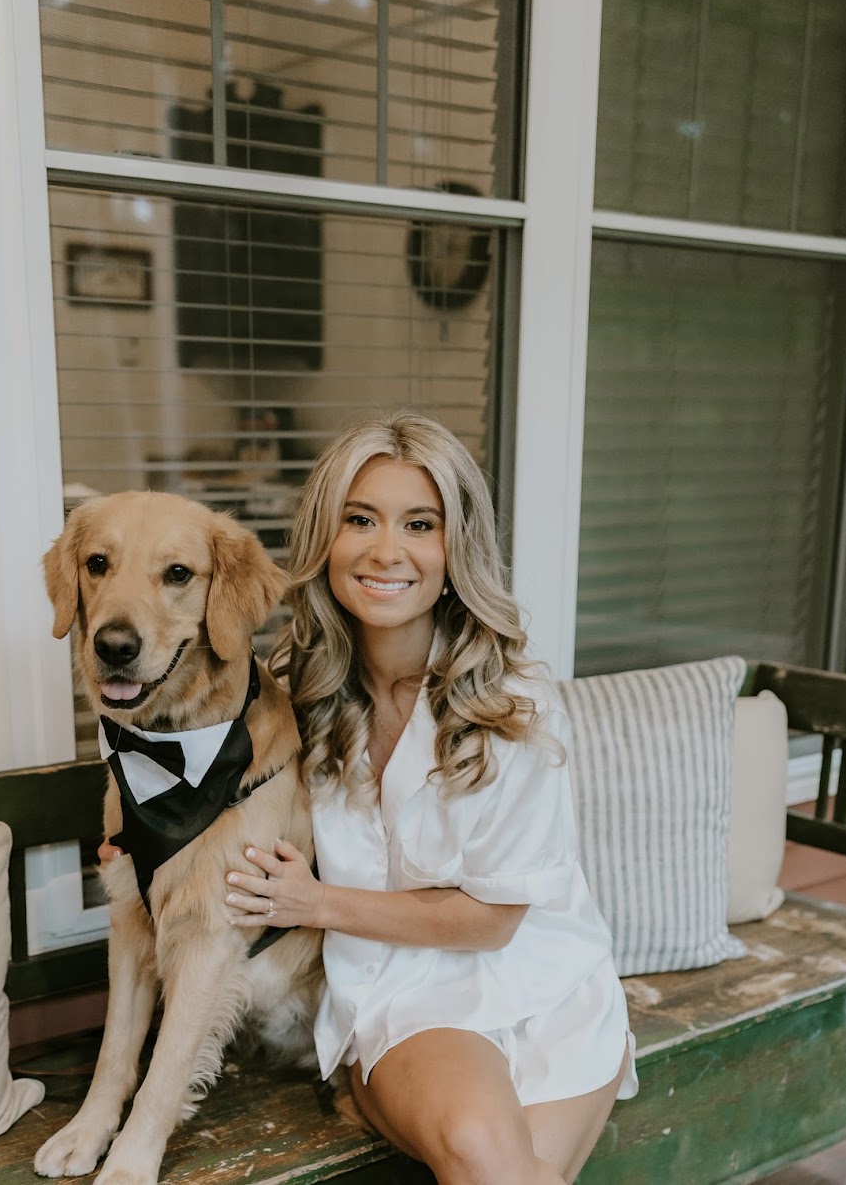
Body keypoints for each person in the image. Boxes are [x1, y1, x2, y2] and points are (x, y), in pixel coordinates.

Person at [103, 411, 637, 1184]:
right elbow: (198, 774)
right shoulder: (297, 687)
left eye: (420, 523)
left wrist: (314, 902)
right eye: (361, 519)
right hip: (408, 994)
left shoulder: (514, 700)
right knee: (489, 1155)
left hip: (548, 980)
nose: (387, 550)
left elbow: (493, 919)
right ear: (328, 536)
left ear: (456, 549)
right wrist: (142, 834)